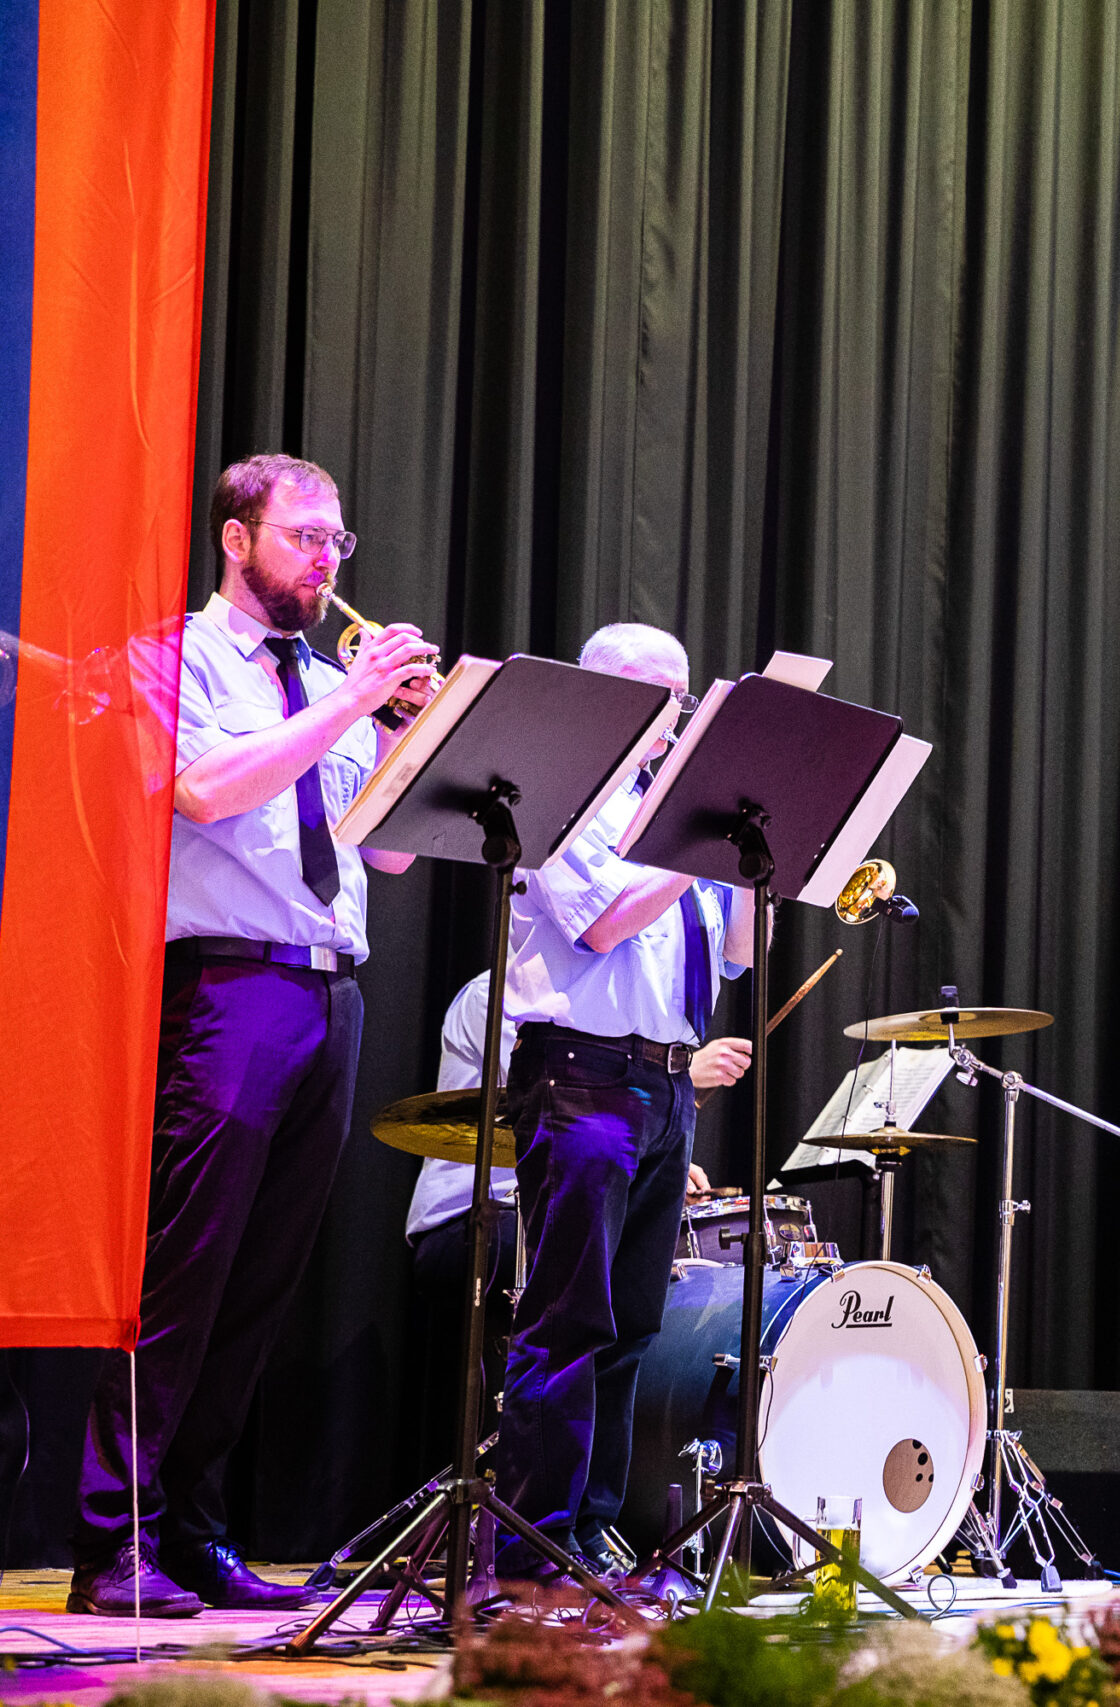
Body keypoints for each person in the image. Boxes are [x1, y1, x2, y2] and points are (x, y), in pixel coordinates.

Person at [70, 454, 439, 1617]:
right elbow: (206, 791)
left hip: (332, 990)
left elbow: (389, 853)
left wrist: (413, 733)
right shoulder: (172, 655)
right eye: (304, 537)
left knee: (262, 1281)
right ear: (236, 541)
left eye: (338, 542)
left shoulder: (327, 680)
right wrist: (351, 702)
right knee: (187, 1268)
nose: (327, 562)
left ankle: (193, 1533)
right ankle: (112, 1539)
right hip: (228, 986)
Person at [491, 622, 753, 1581]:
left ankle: (590, 1535)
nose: (674, 715)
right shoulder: (562, 793)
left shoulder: (658, 809)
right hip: (583, 1073)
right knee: (570, 1317)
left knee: (633, 1322)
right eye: (659, 694)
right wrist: (697, 841)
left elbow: (738, 955)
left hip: (666, 1081)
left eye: (682, 696)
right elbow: (602, 923)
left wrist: (749, 851)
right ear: (601, 692)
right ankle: (532, 1546)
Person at [404, 970, 743, 1531]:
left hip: (550, 1197)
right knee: (576, 1317)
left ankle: (594, 1523)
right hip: (472, 1216)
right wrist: (673, 1074)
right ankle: (538, 1530)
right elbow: (545, 1112)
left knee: (631, 1320)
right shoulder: (511, 994)